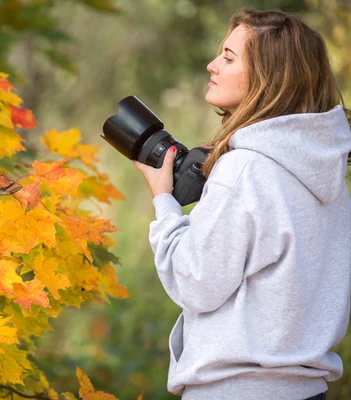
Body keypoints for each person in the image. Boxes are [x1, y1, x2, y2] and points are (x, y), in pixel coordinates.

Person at [133, 7, 351, 400]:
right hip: (307, 391)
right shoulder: (327, 172)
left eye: (229, 58)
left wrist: (164, 201)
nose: (212, 64)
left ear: (270, 76)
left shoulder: (245, 169)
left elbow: (195, 282)